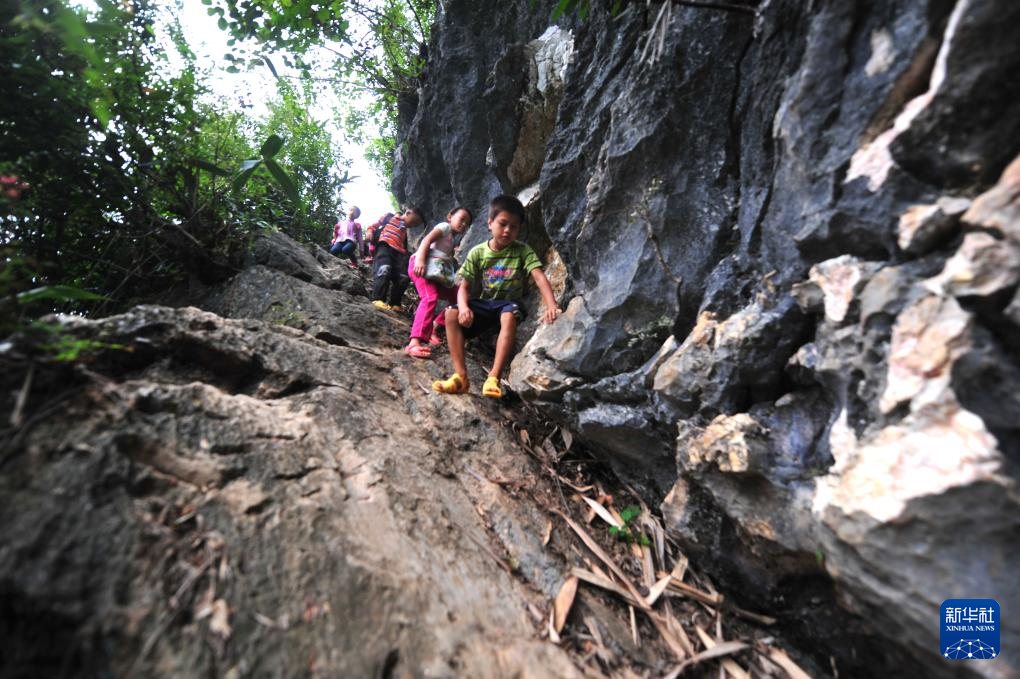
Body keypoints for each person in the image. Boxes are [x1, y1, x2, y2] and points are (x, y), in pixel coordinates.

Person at [433, 194, 561, 398]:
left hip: (509, 305)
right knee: (450, 314)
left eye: (514, 226)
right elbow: (463, 287)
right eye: (503, 224)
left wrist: (551, 305)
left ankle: (493, 377)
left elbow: (539, 277)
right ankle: (460, 377)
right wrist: (464, 308)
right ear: (490, 223)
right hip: (486, 304)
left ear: (519, 229)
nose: (508, 230)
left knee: (508, 315)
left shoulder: (522, 251)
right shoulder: (478, 252)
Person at [404, 206, 473, 358]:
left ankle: (434, 327)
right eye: (462, 219)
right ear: (450, 216)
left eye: (467, 224)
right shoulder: (445, 227)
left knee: (460, 296)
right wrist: (420, 260)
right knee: (429, 297)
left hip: (434, 275)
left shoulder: (452, 239)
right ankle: (414, 343)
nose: (463, 224)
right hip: (420, 267)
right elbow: (427, 240)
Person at [370, 206, 425, 311]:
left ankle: (395, 302)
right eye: (413, 222)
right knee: (384, 268)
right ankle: (378, 298)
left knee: (404, 277)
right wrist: (369, 233)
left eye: (415, 225)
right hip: (385, 245)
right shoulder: (389, 217)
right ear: (408, 213)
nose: (413, 226)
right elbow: (374, 226)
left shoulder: (405, 230)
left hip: (399, 252)